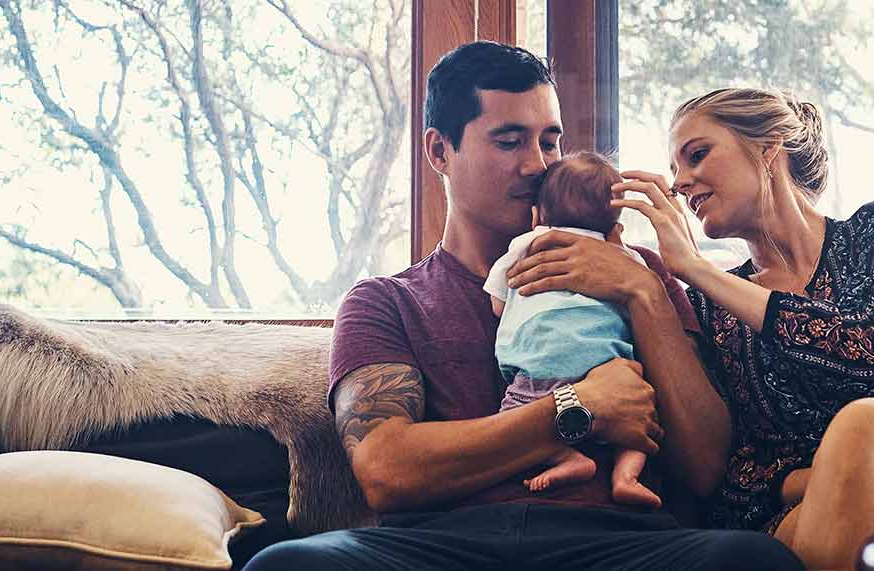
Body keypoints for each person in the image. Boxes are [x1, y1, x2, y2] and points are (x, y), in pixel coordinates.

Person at [242, 44, 800, 571]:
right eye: (509, 141)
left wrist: (642, 293)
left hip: (620, 541)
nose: (537, 165)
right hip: (443, 545)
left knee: (754, 560)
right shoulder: (386, 302)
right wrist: (574, 408)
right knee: (286, 565)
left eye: (550, 141)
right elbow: (387, 470)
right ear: (440, 150)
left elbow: (705, 469)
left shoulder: (643, 274)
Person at [536, 86, 874, 568]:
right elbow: (732, 476)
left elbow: (869, 350)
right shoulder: (709, 310)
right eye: (677, 169)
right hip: (807, 512)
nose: (681, 183)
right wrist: (844, 472)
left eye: (697, 155)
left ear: (769, 150)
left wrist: (696, 268)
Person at [484, 151, 659, 509]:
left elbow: (498, 304)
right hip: (608, 367)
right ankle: (626, 476)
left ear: (537, 215)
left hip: (538, 369)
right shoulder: (626, 259)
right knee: (640, 418)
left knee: (511, 427)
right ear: (613, 225)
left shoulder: (527, 244)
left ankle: (567, 459)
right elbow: (639, 309)